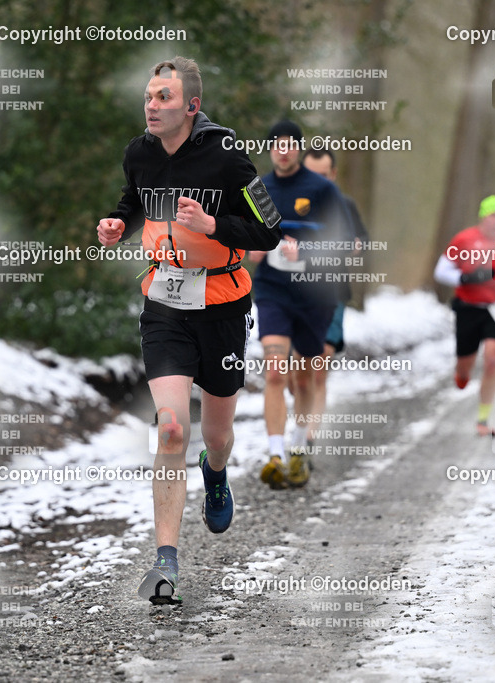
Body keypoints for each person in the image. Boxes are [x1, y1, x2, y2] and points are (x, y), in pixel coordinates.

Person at [98, 56, 281, 604]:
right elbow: (135, 203)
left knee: (217, 436)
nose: (152, 106)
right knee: (172, 429)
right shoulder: (139, 153)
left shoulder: (226, 156)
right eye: (149, 96)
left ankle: (216, 472)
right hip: (165, 303)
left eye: (164, 98)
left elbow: (269, 230)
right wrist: (117, 223)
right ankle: (166, 564)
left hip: (222, 304)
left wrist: (214, 225)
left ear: (192, 107)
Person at [246, 121, 352, 488]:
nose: (283, 150)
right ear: (270, 150)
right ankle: (275, 455)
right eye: (277, 145)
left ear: (299, 149)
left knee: (304, 377)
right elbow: (245, 234)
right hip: (273, 291)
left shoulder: (321, 189)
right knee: (275, 372)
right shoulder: (259, 190)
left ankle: (298, 450)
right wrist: (252, 247)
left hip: (315, 296)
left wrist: (304, 252)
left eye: (290, 144)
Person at [297, 148, 369, 450]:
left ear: (333, 175)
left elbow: (362, 241)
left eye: (323, 175)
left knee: (320, 361)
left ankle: (308, 434)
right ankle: (300, 422)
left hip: (333, 292)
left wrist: (353, 247)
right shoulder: (293, 203)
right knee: (297, 370)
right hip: (294, 292)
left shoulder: (344, 205)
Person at [433, 195, 495, 436]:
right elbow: (441, 270)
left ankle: (483, 420)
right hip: (468, 307)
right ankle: (461, 375)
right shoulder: (464, 239)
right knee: (465, 369)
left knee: (492, 360)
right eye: (493, 214)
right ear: (483, 216)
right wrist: (464, 278)